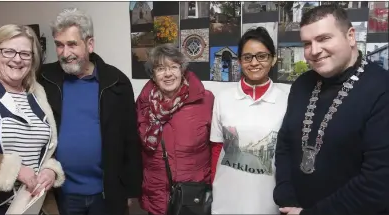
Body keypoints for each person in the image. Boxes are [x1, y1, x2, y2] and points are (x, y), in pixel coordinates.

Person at [274, 5, 389, 215]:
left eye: (324, 38)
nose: (314, 51)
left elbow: (378, 183)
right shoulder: (301, 85)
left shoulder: (382, 88)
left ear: (351, 36)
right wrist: (285, 196)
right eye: (307, 43)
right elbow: (285, 145)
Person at [37, 8, 143, 215]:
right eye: (59, 45)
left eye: (72, 44)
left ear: (90, 44)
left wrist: (131, 190)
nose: (65, 53)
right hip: (60, 193)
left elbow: (130, 139)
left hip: (106, 194)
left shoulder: (117, 82)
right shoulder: (44, 79)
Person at [0, 24, 65, 215]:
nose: (17, 59)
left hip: (35, 205)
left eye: (25, 54)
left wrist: (50, 170)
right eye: (8, 52)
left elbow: (46, 149)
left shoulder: (37, 94)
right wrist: (13, 170)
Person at [209, 27, 290, 214]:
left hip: (269, 199)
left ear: (273, 59)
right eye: (247, 57)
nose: (254, 63)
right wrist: (214, 186)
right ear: (239, 61)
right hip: (226, 199)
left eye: (261, 56)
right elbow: (216, 150)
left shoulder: (287, 99)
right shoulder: (223, 98)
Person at [136, 43, 214, 215]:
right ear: (153, 75)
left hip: (193, 198)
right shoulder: (143, 104)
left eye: (173, 67)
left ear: (182, 70)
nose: (168, 74)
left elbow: (216, 148)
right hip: (156, 197)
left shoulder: (205, 101)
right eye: (161, 68)